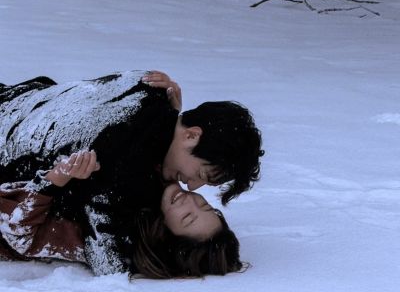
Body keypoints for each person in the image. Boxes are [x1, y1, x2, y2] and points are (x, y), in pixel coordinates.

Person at [0, 70, 264, 274]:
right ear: (192, 135)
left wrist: (172, 115)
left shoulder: (150, 87)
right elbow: (108, 261)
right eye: (202, 175)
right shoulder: (121, 174)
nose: (193, 188)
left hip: (16, 98)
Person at [0, 151, 242, 278]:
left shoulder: (109, 236)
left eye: (187, 217)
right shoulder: (155, 195)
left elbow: (21, 233)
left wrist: (54, 179)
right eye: (205, 206)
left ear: (165, 236)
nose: (191, 201)